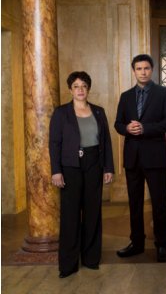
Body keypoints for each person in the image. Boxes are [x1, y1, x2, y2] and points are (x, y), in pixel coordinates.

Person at [49, 71, 114, 278]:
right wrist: (56, 170)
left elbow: (106, 143)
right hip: (70, 167)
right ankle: (68, 264)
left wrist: (108, 168)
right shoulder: (61, 113)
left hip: (94, 164)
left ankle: (91, 258)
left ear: (88, 89)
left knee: (93, 212)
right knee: (70, 215)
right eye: (76, 86)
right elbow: (54, 144)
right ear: (70, 89)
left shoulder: (99, 112)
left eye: (84, 86)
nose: (80, 90)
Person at [114, 54, 166, 263]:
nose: (143, 72)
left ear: (152, 70)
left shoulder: (164, 93)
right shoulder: (126, 96)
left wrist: (146, 128)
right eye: (139, 68)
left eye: (146, 68)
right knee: (135, 203)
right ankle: (137, 243)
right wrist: (127, 129)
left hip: (155, 157)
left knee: (159, 203)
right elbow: (117, 124)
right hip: (132, 158)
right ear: (133, 71)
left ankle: (162, 245)